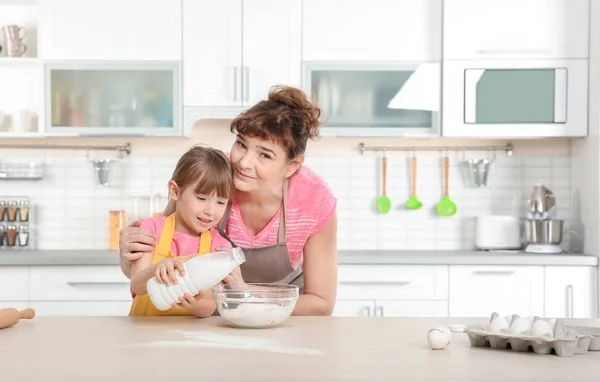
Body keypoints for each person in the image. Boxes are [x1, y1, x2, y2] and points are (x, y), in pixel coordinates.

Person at [119, 85, 338, 316]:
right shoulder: (212, 175)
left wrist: (243, 292)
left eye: (264, 154)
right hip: (212, 316)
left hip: (281, 316)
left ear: (291, 166)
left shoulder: (313, 201)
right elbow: (161, 261)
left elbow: (321, 303)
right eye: (241, 144)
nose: (243, 163)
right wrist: (129, 255)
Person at [128, 145, 234, 317]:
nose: (211, 211)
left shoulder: (219, 247)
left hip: (190, 339)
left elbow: (209, 308)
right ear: (175, 191)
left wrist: (195, 304)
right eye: (201, 198)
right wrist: (157, 269)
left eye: (221, 202)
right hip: (144, 336)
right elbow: (137, 286)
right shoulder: (150, 230)